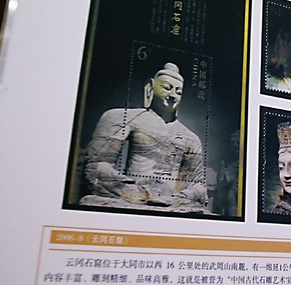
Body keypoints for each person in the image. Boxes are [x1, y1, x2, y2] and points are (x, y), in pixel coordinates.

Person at [80, 63, 208, 211]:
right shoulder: (120, 117)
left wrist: (179, 198)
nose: (173, 95)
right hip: (132, 197)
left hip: (170, 203)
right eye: (167, 88)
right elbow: (96, 166)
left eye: (178, 92)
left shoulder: (190, 138)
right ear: (150, 87)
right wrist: (141, 194)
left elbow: (199, 186)